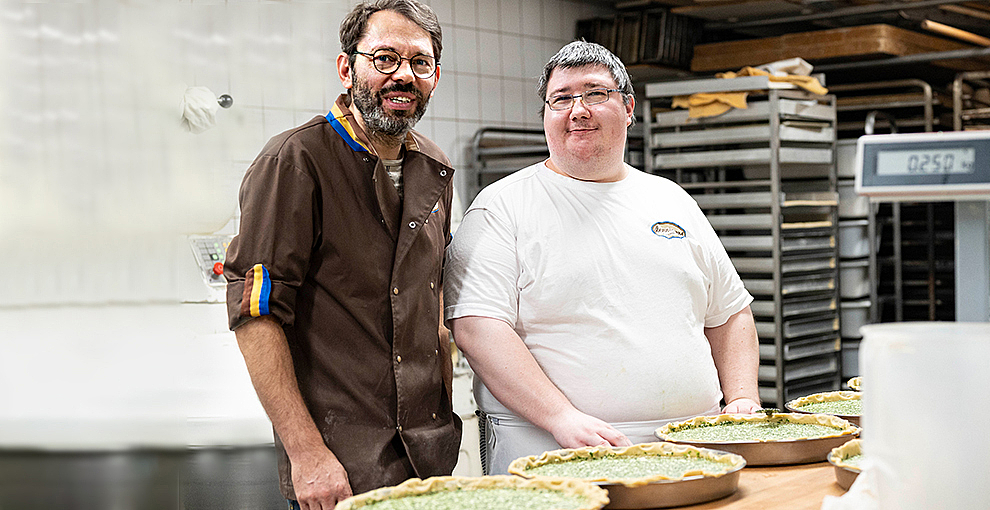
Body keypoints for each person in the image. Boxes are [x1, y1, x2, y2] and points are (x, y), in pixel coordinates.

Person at [443, 40, 762, 475]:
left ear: (628, 107)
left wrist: (742, 397)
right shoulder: (502, 207)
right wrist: (561, 417)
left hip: (690, 446)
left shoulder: (669, 199)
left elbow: (730, 312)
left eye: (595, 93)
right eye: (562, 99)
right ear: (546, 116)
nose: (578, 109)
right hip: (552, 449)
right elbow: (478, 328)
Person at [224, 1, 460, 508]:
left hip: (427, 459)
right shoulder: (296, 161)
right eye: (385, 58)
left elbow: (432, 298)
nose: (403, 76)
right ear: (347, 66)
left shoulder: (434, 168)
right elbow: (255, 314)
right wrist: (306, 454)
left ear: (435, 76)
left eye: (420, 62)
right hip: (340, 464)